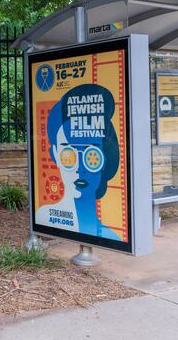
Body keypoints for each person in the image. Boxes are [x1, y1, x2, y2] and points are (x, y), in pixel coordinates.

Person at [37, 84, 121, 240]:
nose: (79, 168)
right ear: (55, 155)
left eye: (91, 156)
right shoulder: (43, 215)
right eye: (68, 154)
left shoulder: (113, 236)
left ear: (105, 158)